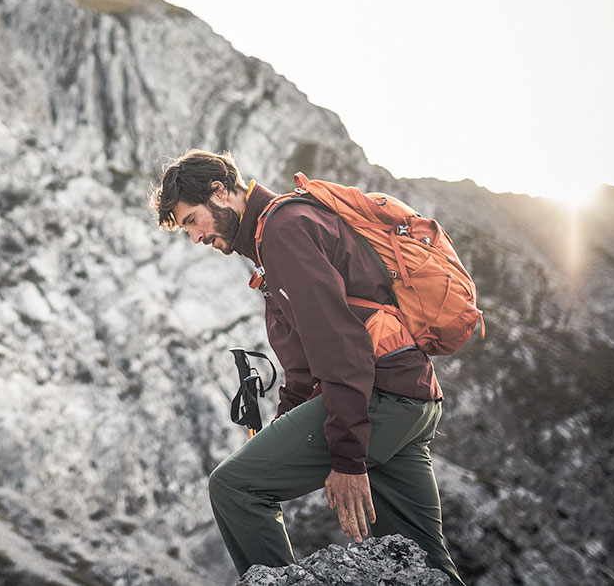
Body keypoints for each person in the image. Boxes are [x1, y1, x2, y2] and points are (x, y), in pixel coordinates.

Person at [149, 149, 465, 585]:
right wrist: (286, 421)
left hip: (380, 398)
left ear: (220, 193)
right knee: (427, 566)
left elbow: (340, 345)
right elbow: (304, 363)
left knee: (235, 487)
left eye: (190, 221)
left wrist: (349, 459)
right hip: (413, 398)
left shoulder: (282, 232)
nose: (195, 238)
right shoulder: (276, 233)